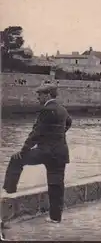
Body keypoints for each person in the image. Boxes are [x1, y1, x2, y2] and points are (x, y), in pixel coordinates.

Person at [2, 84, 72, 223]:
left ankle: (9, 193)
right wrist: (57, 135)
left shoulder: (46, 109)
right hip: (60, 152)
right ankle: (55, 218)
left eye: (39, 94)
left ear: (47, 95)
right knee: (56, 185)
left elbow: (36, 133)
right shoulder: (62, 109)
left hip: (46, 152)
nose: (37, 97)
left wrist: (23, 151)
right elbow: (69, 123)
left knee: (16, 160)